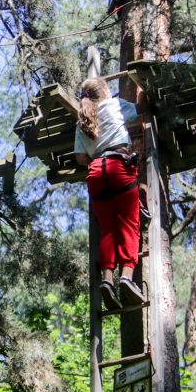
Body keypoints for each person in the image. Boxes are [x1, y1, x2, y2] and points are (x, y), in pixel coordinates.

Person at [73, 76, 144, 310]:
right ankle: (126, 277)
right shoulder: (115, 105)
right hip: (119, 168)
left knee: (108, 231)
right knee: (129, 225)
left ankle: (107, 280)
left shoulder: (81, 121)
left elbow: (81, 158)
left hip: (95, 174)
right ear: (104, 90)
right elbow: (139, 112)